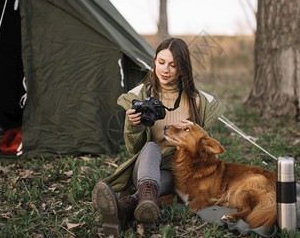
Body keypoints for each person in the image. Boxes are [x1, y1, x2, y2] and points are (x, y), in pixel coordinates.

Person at [92, 37, 226, 237]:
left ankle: (126, 207)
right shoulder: (140, 94)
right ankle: (143, 201)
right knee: (152, 148)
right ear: (154, 61)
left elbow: (202, 150)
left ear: (183, 68)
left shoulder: (197, 101)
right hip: (146, 163)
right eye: (161, 62)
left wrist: (195, 128)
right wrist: (133, 124)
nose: (165, 69)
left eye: (173, 65)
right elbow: (133, 148)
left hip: (176, 172)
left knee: (169, 175)